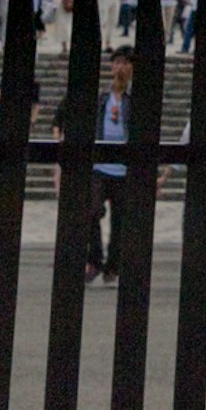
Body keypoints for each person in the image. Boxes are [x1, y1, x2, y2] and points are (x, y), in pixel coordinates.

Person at [89, 49, 135, 278]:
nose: (120, 68)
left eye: (125, 63)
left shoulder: (134, 98)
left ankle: (113, 265)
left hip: (124, 168)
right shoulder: (103, 98)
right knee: (91, 210)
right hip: (100, 165)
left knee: (120, 220)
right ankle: (94, 260)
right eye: (116, 63)